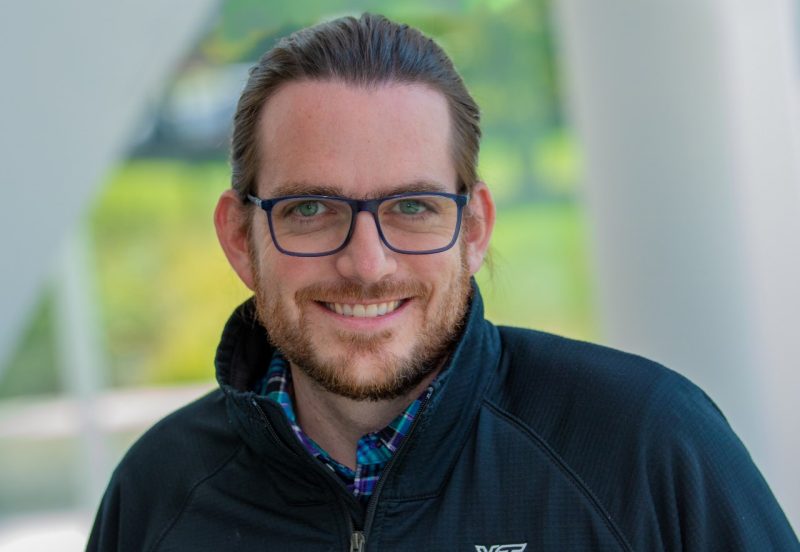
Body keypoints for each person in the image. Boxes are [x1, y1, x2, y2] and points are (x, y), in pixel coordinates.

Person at [87, 13, 799, 551]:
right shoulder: (158, 495)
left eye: (413, 207)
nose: (367, 265)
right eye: (310, 209)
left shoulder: (645, 447)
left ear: (475, 229)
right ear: (241, 239)